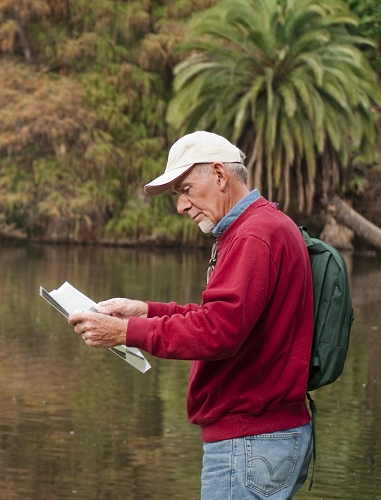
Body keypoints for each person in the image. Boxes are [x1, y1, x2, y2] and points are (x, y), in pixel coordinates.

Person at [69, 131, 314, 499]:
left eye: (185, 189)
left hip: (249, 442)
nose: (181, 206)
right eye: (177, 195)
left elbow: (218, 332)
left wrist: (125, 332)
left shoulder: (253, 235)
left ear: (219, 175)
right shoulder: (257, 228)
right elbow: (223, 317)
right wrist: (146, 311)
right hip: (259, 439)